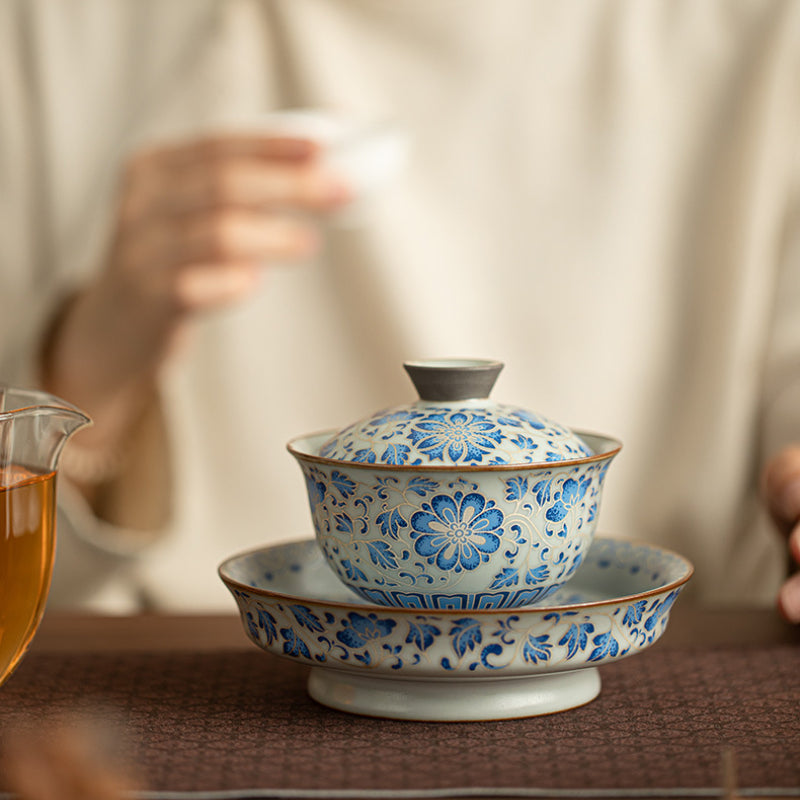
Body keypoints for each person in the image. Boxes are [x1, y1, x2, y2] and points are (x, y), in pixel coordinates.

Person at [1, 0, 799, 617]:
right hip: (177, 695)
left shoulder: (762, 33)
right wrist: (89, 365)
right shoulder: (53, 28)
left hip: (673, 673)